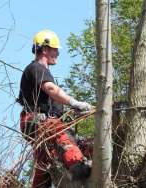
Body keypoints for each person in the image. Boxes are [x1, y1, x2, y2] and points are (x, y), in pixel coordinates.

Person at [17, 30, 93, 188]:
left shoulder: (44, 73)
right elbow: (51, 89)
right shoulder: (36, 68)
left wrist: (73, 113)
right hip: (35, 120)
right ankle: (77, 165)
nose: (57, 53)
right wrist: (74, 102)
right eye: (55, 49)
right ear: (44, 49)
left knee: (45, 161)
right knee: (57, 131)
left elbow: (57, 107)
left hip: (47, 123)